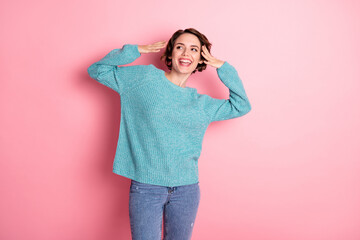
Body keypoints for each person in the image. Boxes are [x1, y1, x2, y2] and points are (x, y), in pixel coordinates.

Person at [87, 28, 251, 240]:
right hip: (147, 187)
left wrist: (222, 66)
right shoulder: (145, 79)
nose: (186, 53)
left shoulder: (201, 104)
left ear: (201, 58)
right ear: (170, 53)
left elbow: (241, 106)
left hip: (187, 190)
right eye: (180, 47)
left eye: (194, 49)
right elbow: (97, 70)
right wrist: (136, 50)